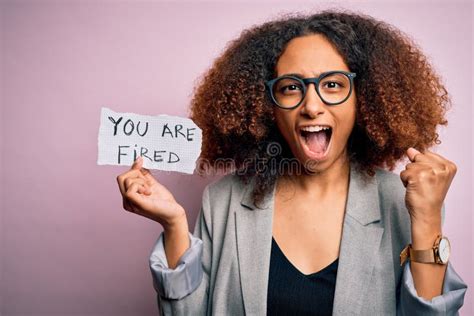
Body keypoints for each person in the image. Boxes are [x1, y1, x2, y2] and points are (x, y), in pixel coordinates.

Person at [116, 9, 468, 315]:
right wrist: (175, 225)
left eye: (332, 84)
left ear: (365, 99)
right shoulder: (222, 200)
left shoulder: (402, 201)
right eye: (290, 87)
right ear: (266, 105)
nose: (312, 105)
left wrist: (427, 219)